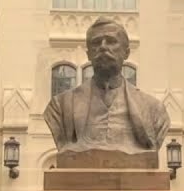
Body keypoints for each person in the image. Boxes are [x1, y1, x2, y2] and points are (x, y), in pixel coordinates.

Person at [43, 18, 169, 154]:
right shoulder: (60, 106)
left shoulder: (153, 109)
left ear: (126, 53)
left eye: (111, 41)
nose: (103, 47)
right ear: (89, 54)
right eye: (96, 43)